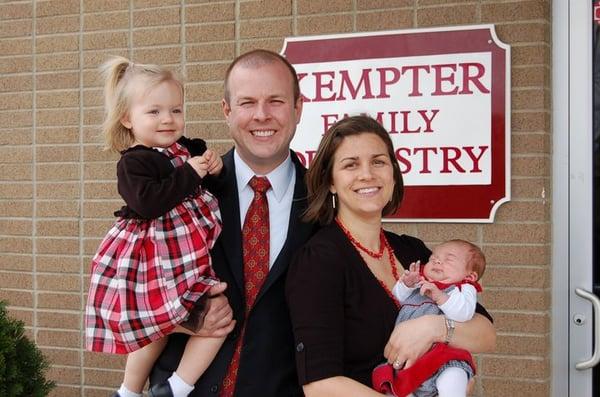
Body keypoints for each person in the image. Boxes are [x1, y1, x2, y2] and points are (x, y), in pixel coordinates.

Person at [286, 115, 496, 396]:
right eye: (351, 165)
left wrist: (434, 327)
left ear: (393, 174)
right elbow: (320, 385)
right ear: (331, 182)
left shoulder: (413, 251)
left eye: (378, 162)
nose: (367, 174)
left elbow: (485, 334)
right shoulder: (319, 261)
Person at [150, 49, 317, 396]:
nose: (261, 115)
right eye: (247, 103)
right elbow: (130, 288)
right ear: (226, 110)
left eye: (275, 101)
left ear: (298, 108)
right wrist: (187, 320)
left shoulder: (326, 201)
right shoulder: (177, 188)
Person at [84, 56, 231, 397]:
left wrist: (216, 170)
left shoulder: (189, 149)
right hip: (153, 262)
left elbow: (218, 193)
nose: (168, 119)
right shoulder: (134, 162)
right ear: (127, 118)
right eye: (154, 112)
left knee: (219, 320)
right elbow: (148, 203)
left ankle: (175, 388)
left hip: (188, 260)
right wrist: (191, 173)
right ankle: (129, 390)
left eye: (176, 110)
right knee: (153, 327)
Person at [372, 239, 487, 397]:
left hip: (443, 357)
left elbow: (464, 313)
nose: (437, 260)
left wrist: (440, 297)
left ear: (471, 275)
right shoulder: (421, 283)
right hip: (408, 359)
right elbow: (397, 299)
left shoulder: (463, 289)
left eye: (449, 259)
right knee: (394, 385)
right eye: (433, 258)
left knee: (453, 375)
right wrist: (406, 285)